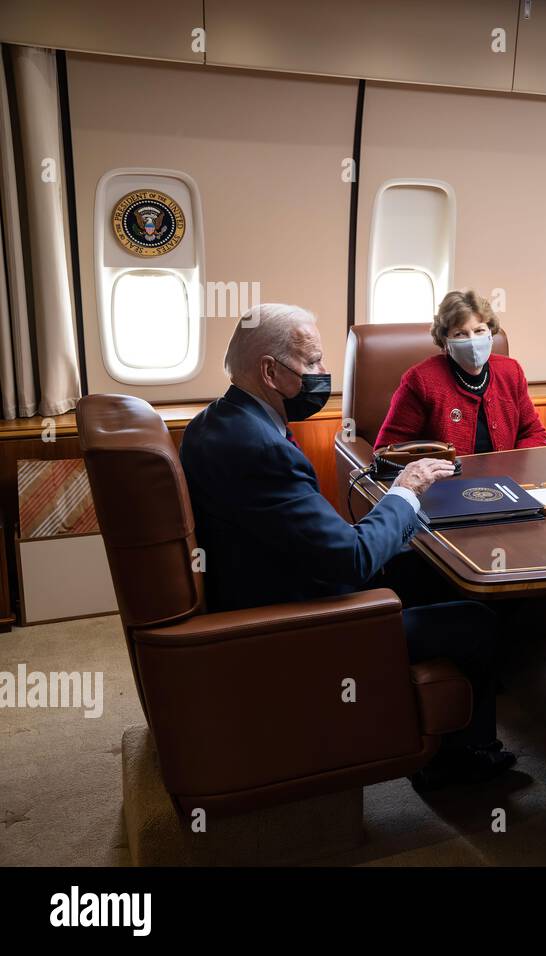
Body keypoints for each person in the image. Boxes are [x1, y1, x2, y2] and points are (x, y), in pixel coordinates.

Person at [181, 303, 515, 788]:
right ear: (270, 371)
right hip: (295, 621)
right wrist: (407, 489)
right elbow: (352, 560)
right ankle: (461, 761)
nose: (323, 374)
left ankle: (456, 721)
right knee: (476, 623)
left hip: (269, 577)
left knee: (428, 572)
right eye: (313, 362)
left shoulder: (218, 421)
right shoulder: (260, 448)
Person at [375, 290, 546, 452]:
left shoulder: (511, 371)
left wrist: (515, 466)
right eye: (460, 334)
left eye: (479, 330)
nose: (472, 341)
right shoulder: (421, 381)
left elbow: (533, 433)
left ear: (490, 333)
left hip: (506, 477)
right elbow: (386, 451)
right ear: (445, 342)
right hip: (445, 481)